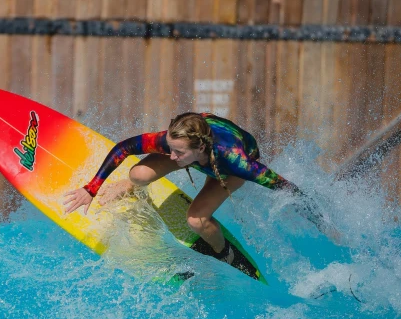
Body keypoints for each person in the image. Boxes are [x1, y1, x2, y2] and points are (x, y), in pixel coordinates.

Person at [63, 112, 325, 265]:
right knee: (139, 173)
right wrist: (91, 188)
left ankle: (225, 254)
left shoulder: (237, 162)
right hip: (200, 147)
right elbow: (124, 148)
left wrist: (323, 223)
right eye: (169, 148)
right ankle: (129, 186)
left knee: (196, 220)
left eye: (176, 152)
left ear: (199, 148)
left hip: (224, 167)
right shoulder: (174, 143)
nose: (170, 155)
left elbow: (287, 188)